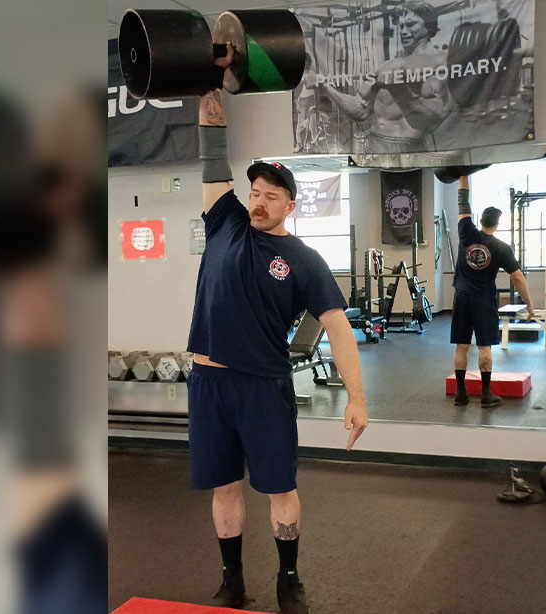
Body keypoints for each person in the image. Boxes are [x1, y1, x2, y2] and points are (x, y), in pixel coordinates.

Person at [190, 54, 369, 614]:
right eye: (255, 192)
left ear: (290, 206)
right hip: (208, 384)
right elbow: (211, 157)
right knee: (223, 488)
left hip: (264, 388)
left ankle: (289, 579)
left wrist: (357, 397)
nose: (259, 200)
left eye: (271, 195)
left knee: (279, 489)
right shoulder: (222, 222)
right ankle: (231, 579)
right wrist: (208, 99)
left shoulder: (303, 259)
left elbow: (338, 327)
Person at [312, 2, 450, 153]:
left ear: (429, 26)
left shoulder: (442, 62)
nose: (404, 31)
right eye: (401, 26)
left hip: (413, 148)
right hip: (377, 146)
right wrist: (326, 89)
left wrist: (399, 88)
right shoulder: (387, 66)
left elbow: (437, 115)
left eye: (411, 24)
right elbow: (360, 111)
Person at [451, 173, 536, 407]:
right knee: (484, 347)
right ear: (497, 224)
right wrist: (528, 303)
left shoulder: (466, 232)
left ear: (480, 221)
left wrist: (463, 176)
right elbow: (517, 277)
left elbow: (462, 202)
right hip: (484, 300)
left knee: (461, 346)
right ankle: (486, 396)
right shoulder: (501, 247)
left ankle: (461, 394)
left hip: (461, 297)